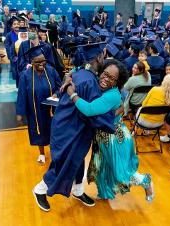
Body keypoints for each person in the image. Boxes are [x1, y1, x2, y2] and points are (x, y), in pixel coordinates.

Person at [33, 43, 115, 212]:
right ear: (99, 58)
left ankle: (78, 190)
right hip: (71, 129)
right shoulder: (90, 82)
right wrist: (112, 124)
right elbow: (93, 113)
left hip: (69, 124)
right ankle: (40, 189)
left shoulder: (80, 73)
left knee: (77, 160)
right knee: (64, 162)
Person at [66, 59, 154, 201]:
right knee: (101, 168)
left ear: (117, 82)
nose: (106, 79)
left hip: (115, 138)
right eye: (105, 74)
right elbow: (77, 70)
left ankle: (146, 182)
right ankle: (105, 192)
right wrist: (68, 77)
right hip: (102, 136)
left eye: (112, 78)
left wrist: (72, 94)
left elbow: (89, 110)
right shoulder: (98, 82)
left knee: (121, 172)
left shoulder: (112, 95)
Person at [16, 52, 61, 164]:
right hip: (35, 110)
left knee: (54, 132)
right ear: (32, 62)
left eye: (43, 61)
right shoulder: (25, 76)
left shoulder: (51, 71)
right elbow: (22, 94)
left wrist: (56, 94)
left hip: (51, 110)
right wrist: (20, 113)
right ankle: (41, 153)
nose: (42, 63)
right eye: (38, 62)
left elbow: (61, 86)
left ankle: (54, 153)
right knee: (38, 131)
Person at [4, 16, 20, 83]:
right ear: (11, 26)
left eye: (17, 24)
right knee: (16, 75)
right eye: (14, 24)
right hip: (14, 58)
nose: (16, 25)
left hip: (22, 57)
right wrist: (11, 58)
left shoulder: (23, 33)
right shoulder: (9, 35)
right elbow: (7, 47)